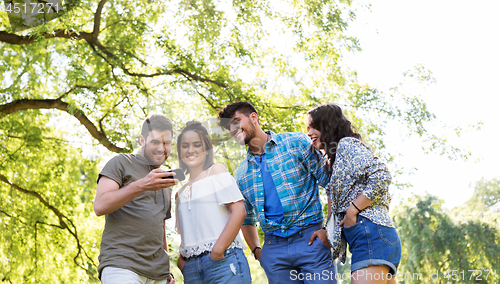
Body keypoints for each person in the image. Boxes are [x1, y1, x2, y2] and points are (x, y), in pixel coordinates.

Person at [218, 101, 338, 284]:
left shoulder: (296, 143)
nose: (233, 129)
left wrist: (328, 231)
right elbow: (246, 218)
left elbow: (332, 184)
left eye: (236, 121)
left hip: (312, 240)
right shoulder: (241, 173)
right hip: (274, 251)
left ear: (253, 117)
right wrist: (258, 252)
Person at [305, 104, 402, 284]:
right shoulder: (333, 161)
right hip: (369, 237)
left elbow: (381, 175)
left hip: (371, 234)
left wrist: (352, 210)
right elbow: (334, 201)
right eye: (307, 129)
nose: (308, 133)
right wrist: (327, 230)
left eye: (312, 127)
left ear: (326, 125)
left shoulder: (347, 144)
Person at [94, 114, 177, 284]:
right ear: (142, 140)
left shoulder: (165, 181)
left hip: (158, 274)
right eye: (155, 142)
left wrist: (167, 269)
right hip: (121, 266)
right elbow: (100, 205)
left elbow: (160, 227)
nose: (162, 148)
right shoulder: (121, 163)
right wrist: (143, 184)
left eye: (167, 143)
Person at [174, 121, 251, 283]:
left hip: (223, 262)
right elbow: (186, 233)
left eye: (197, 145)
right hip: (192, 271)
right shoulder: (179, 193)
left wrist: (218, 251)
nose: (190, 150)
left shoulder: (216, 171)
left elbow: (239, 211)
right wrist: (182, 262)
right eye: (185, 145)